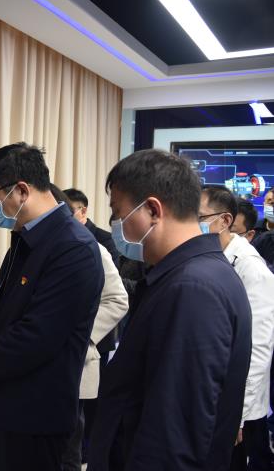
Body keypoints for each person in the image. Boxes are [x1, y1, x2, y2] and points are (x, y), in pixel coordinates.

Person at [88, 149, 252, 471]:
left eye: (118, 213)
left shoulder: (193, 289)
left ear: (152, 210)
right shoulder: (192, 275)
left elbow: (173, 436)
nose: (115, 225)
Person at [0, 143, 104, 471]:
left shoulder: (73, 248)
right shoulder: (27, 238)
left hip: (37, 418)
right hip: (7, 408)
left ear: (21, 190)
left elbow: (37, 336)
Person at [51, 185, 128, 471]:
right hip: (39, 367)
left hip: (75, 360)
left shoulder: (93, 248)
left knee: (69, 446)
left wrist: (78, 333)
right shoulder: (36, 248)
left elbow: (118, 300)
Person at [199, 186, 274, 471]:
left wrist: (237, 415)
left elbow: (258, 347)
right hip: (210, 394)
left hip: (238, 405)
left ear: (224, 220)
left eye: (199, 217)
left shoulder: (251, 268)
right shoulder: (209, 255)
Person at [65, 188, 121, 266]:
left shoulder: (106, 239)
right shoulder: (62, 236)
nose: (64, 215)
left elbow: (112, 272)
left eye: (69, 210)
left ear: (83, 211)